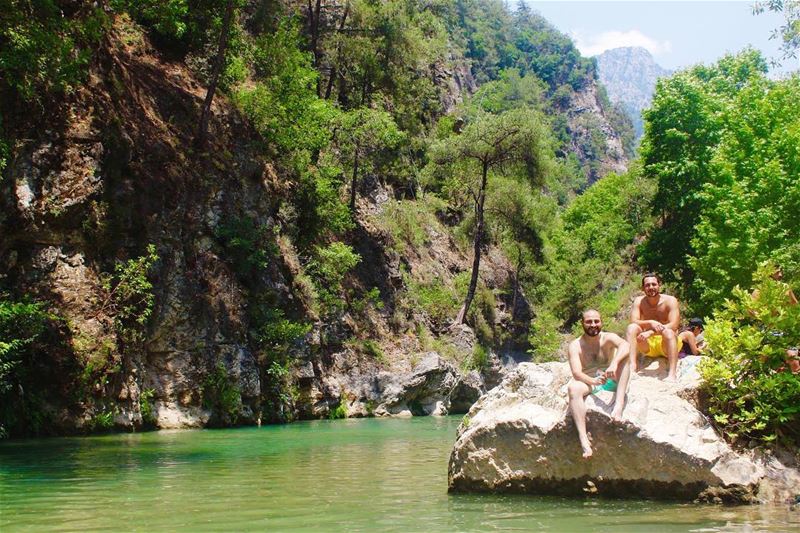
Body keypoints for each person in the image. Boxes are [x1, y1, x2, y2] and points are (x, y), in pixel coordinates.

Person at [567, 309, 631, 459]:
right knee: (573, 388)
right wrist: (593, 381)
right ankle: (583, 439)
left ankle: (618, 406)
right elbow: (576, 373)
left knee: (624, 361)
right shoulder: (575, 345)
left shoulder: (608, 338)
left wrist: (614, 364)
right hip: (589, 380)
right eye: (589, 322)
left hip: (610, 377)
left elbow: (626, 345)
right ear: (582, 323)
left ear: (601, 322)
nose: (593, 325)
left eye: (596, 321)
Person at [626, 273, 681, 380]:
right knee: (631, 328)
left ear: (659, 285)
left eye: (654, 284)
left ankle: (672, 373)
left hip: (667, 344)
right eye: (647, 285)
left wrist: (650, 332)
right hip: (649, 345)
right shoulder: (639, 301)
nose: (651, 287)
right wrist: (651, 322)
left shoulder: (670, 301)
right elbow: (633, 320)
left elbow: (674, 325)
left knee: (668, 332)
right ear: (643, 288)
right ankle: (632, 366)